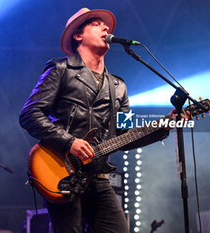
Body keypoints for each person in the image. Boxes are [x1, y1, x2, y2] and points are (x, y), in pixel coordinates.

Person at [19, 8, 169, 233]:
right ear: (78, 35)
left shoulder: (119, 86)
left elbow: (125, 138)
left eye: (105, 25)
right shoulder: (60, 70)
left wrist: (164, 126)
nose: (106, 28)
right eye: (97, 24)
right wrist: (70, 142)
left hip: (97, 176)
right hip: (62, 171)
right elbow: (29, 114)